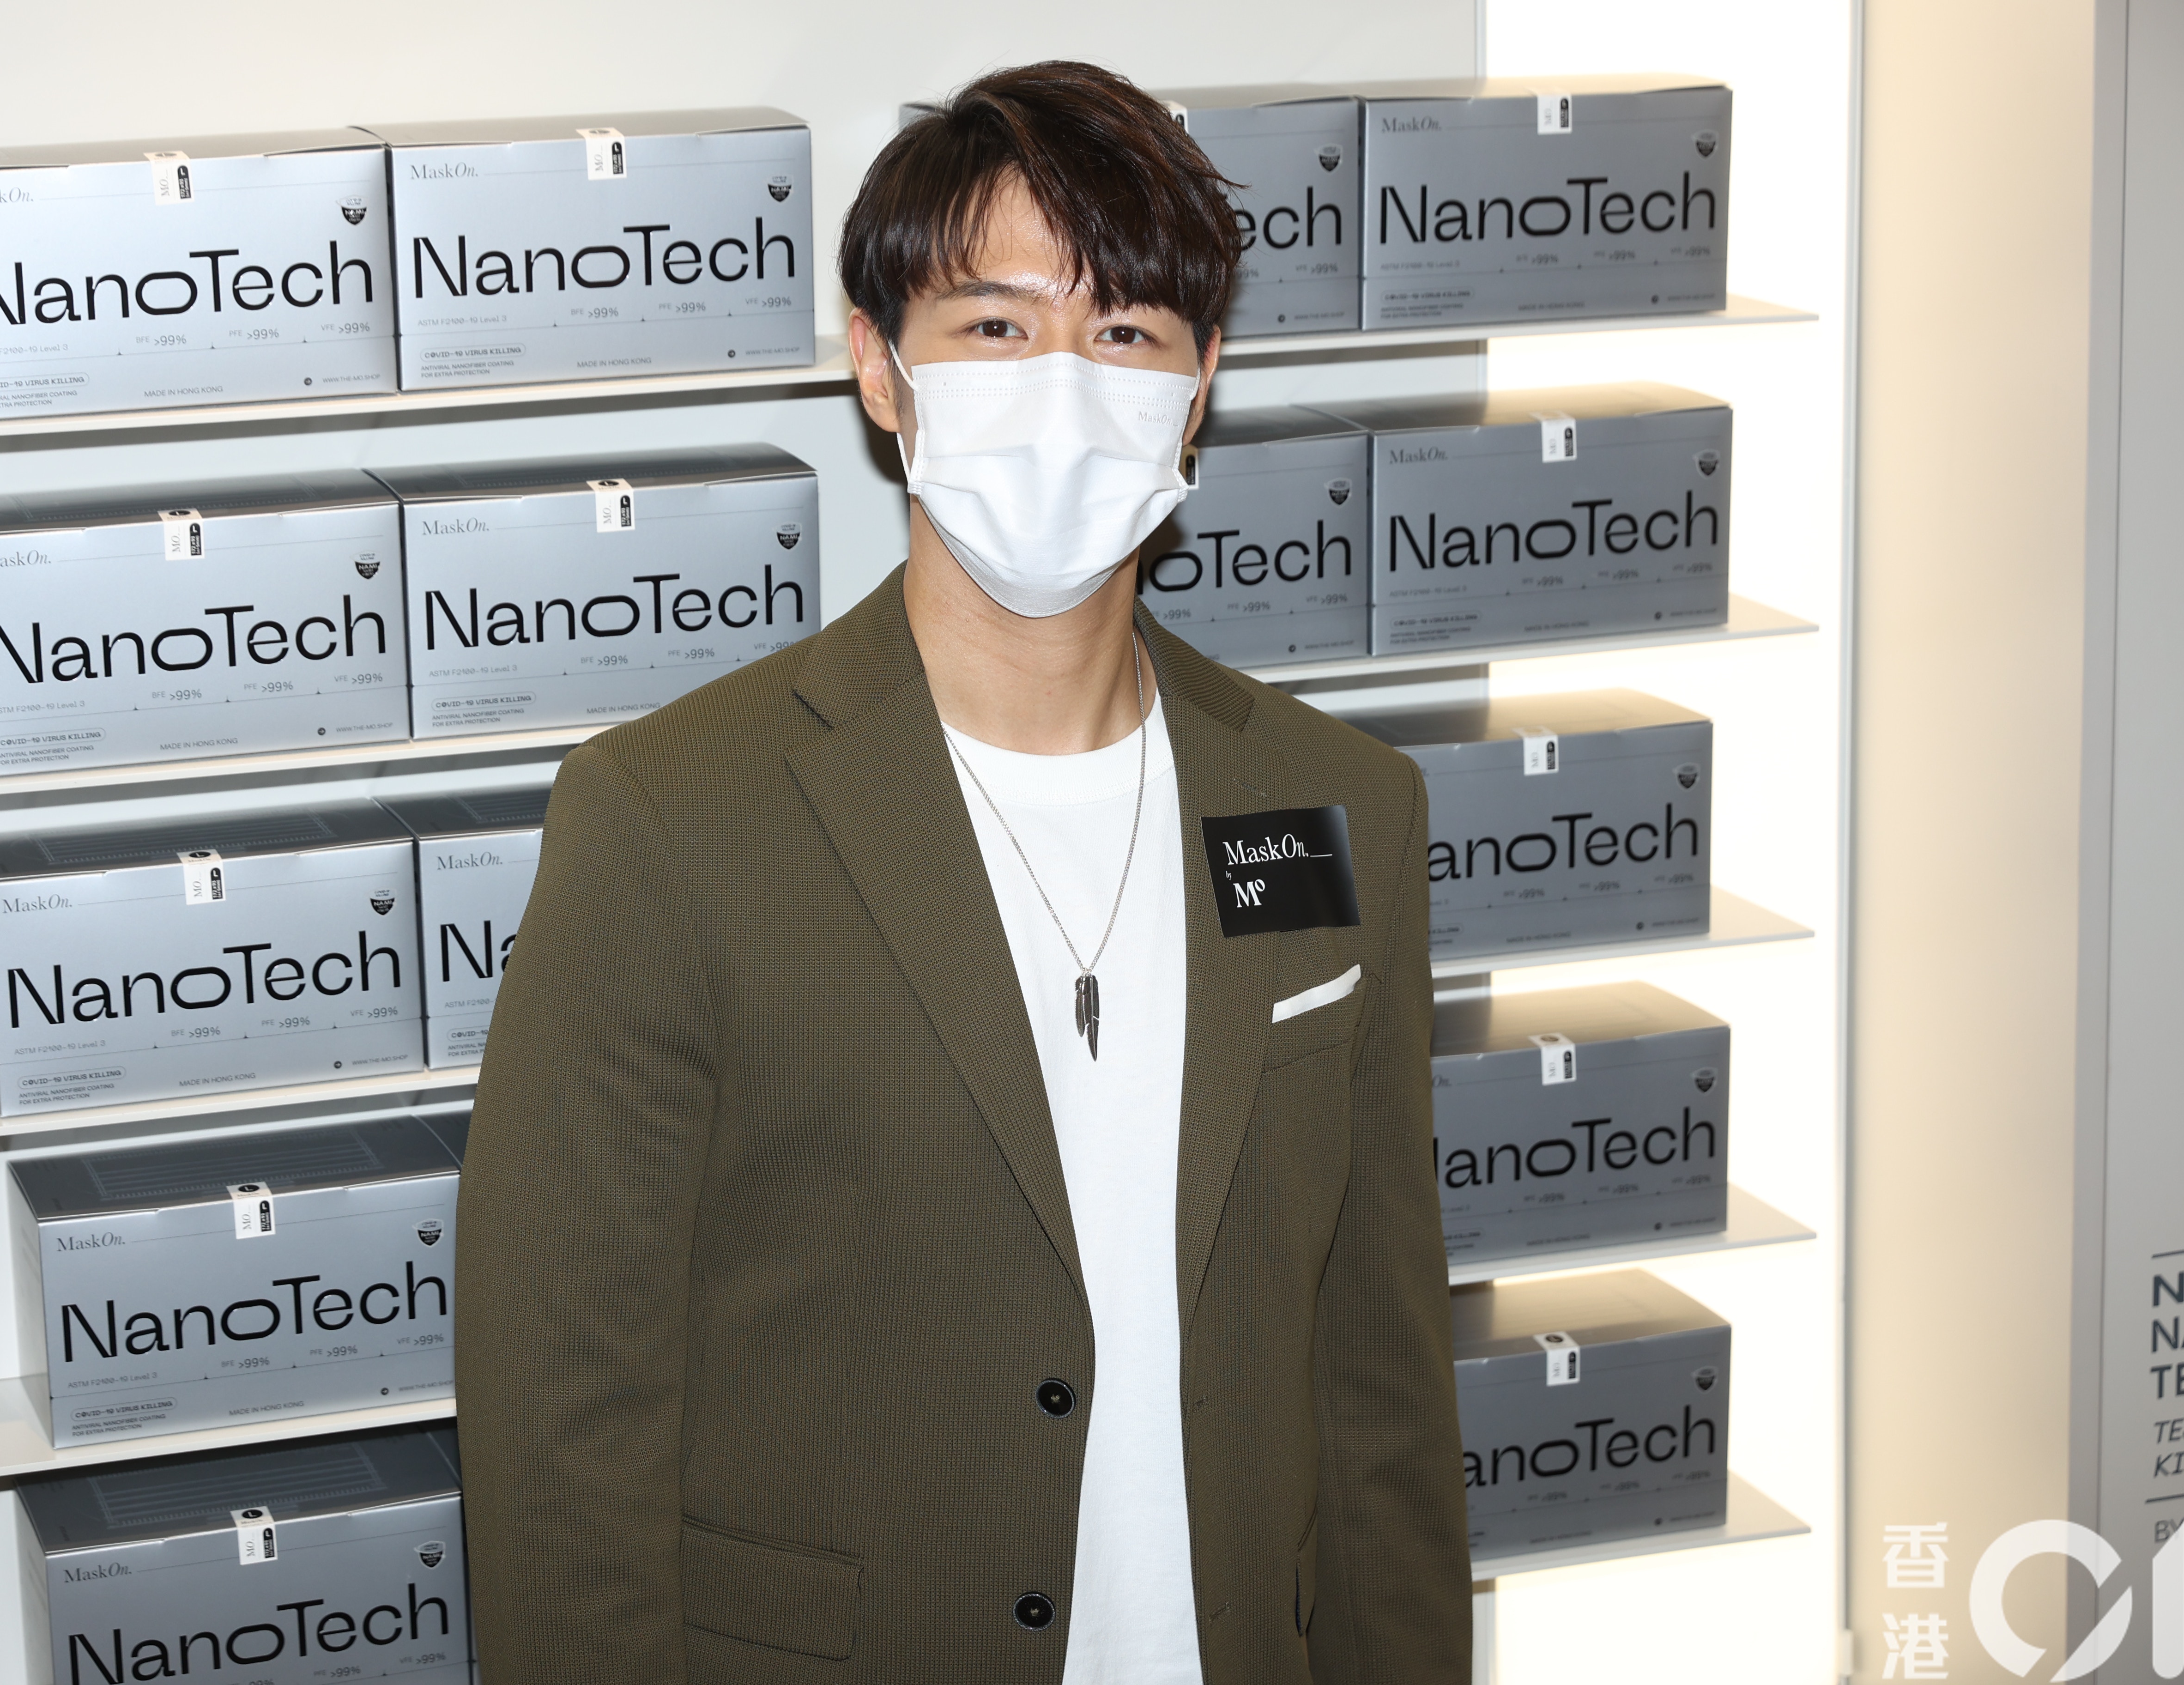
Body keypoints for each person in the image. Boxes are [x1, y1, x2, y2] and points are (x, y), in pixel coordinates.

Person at [455, 59, 1470, 1685]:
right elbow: (563, 1416)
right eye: (996, 325)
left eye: (1124, 330)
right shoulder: (670, 817)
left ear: (1200, 382)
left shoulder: (1337, 806)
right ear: (881, 366)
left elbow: (1381, 1377)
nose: (1064, 384)